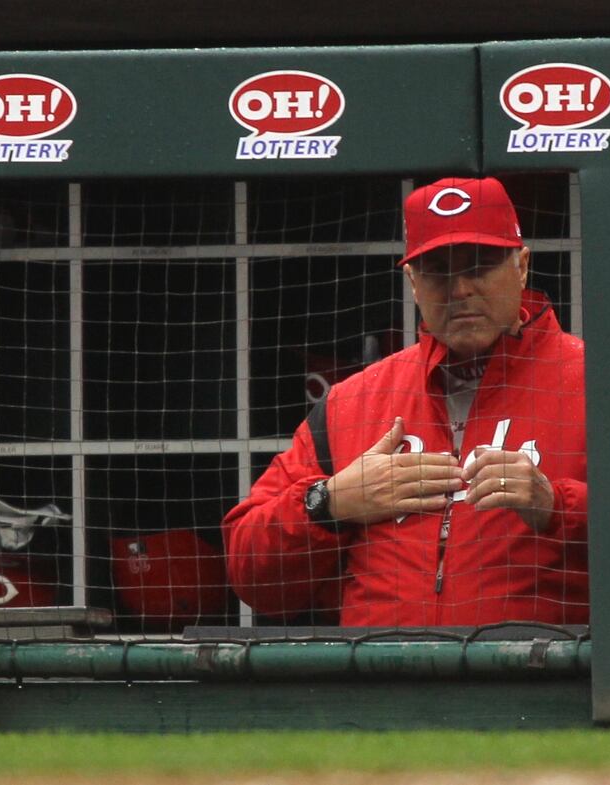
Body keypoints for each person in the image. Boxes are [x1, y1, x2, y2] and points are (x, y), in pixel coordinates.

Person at [222, 176, 588, 627]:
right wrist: (328, 503)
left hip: (542, 682)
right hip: (383, 686)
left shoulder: (595, 386)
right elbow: (253, 580)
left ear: (522, 266)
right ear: (413, 281)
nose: (459, 290)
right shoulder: (354, 401)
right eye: (438, 271)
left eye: (479, 265)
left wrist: (557, 507)